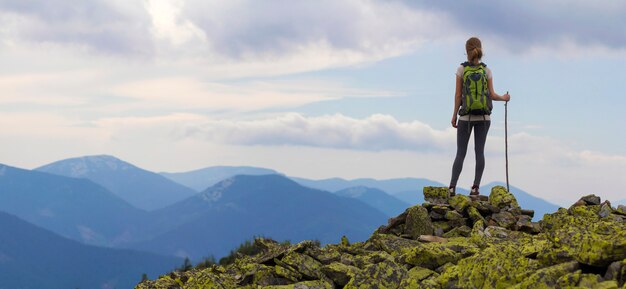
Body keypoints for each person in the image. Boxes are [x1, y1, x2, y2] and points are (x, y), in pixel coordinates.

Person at [449, 37, 510, 196]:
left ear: (466, 51)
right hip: (484, 118)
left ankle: (452, 187)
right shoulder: (486, 70)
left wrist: (454, 114)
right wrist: (504, 98)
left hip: (465, 118)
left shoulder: (462, 69)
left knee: (461, 152)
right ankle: (475, 187)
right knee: (479, 152)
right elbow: (492, 95)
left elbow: (457, 95)